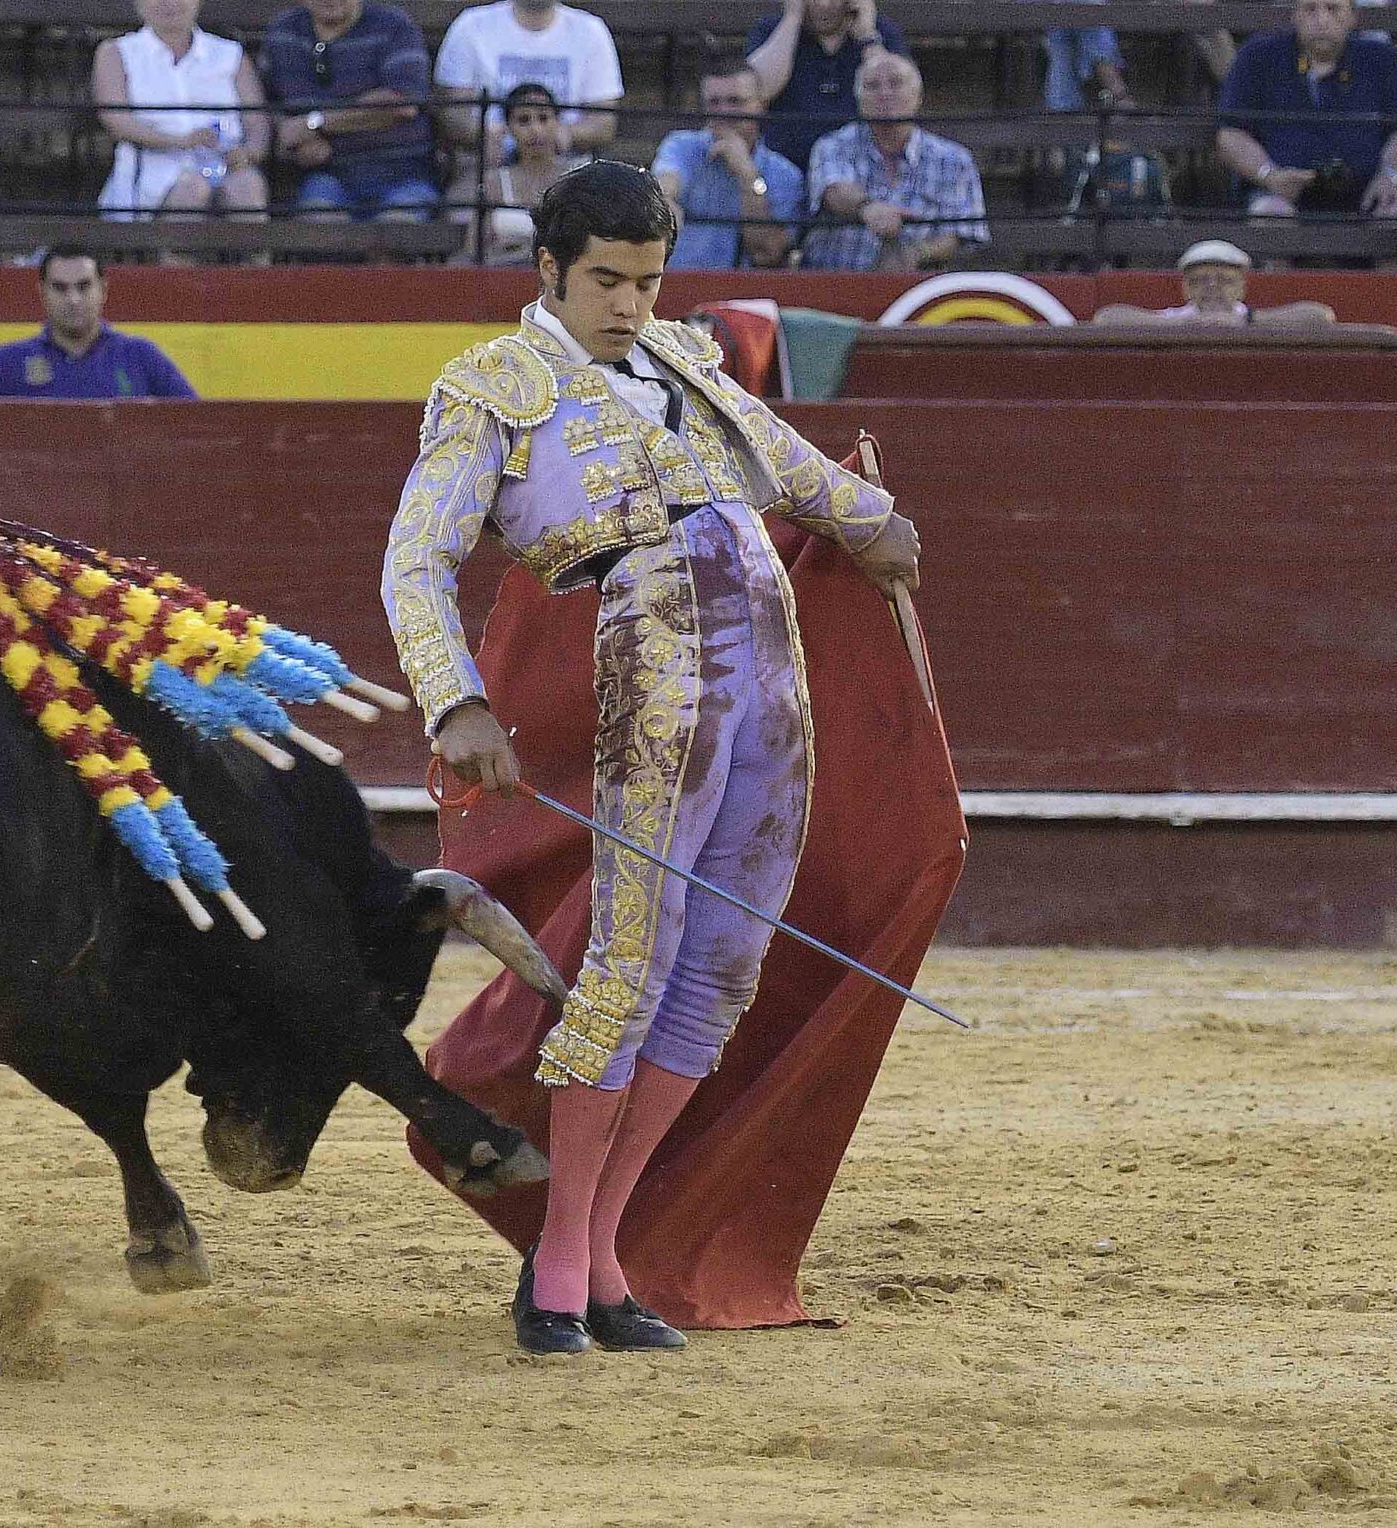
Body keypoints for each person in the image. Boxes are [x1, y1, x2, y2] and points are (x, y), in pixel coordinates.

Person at [382, 161, 917, 1355]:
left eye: (648, 279)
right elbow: (415, 561)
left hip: (767, 656)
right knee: (634, 954)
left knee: (720, 963)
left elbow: (779, 460)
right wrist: (452, 701)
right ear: (550, 271)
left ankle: (610, 1250)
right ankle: (559, 1267)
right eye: (607, 281)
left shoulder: (683, 358)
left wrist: (868, 521)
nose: (629, 303)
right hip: (653, 652)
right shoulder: (491, 387)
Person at [1216, 0, 1397, 221]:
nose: (1322, 20)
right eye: (1310, 9)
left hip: (1367, 190)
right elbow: (1231, 134)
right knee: (1271, 215)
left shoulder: (1381, 58)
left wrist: (1389, 178)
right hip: (1277, 190)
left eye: (1333, 9)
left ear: (1352, 16)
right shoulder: (1257, 56)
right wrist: (1270, 176)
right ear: (1294, 15)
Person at [801, 51, 985, 272]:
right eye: (873, 86)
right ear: (859, 99)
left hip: (918, 286)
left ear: (918, 96)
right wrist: (867, 209)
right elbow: (834, 192)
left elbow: (962, 233)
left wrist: (918, 253)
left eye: (896, 84)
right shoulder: (832, 145)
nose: (885, 93)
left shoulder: (954, 159)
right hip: (835, 282)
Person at [258, 0, 439, 222]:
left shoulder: (394, 26)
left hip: (403, 175)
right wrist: (294, 145)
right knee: (322, 229)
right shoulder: (284, 33)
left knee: (397, 231)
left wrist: (316, 123)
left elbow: (402, 104)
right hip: (324, 176)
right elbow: (267, 107)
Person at [0, 246, 196, 398]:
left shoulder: (141, 356)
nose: (73, 300)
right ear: (42, 293)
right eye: (60, 288)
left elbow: (199, 423)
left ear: (103, 290)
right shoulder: (9, 361)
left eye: (84, 287)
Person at [94, 0, 267, 223]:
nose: (169, 3)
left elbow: (257, 123)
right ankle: (172, 256)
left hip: (223, 164)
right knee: (193, 190)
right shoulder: (116, 52)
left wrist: (249, 152)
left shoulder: (229, 54)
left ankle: (255, 258)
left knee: (247, 187)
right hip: (151, 170)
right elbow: (115, 119)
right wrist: (180, 141)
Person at [652, 64, 802, 270]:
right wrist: (666, 201)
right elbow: (666, 182)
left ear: (760, 105)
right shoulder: (681, 145)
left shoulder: (784, 174)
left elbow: (767, 254)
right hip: (678, 283)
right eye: (714, 102)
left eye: (735, 102)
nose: (724, 112)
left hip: (746, 292)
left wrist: (748, 175)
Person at [432, 0, 623, 162]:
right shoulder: (470, 26)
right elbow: (451, 113)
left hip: (569, 175)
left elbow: (604, 123)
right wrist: (481, 136)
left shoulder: (591, 31)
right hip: (487, 173)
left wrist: (568, 135)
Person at [744, 0, 907, 177]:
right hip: (784, 169)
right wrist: (792, 19)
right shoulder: (770, 30)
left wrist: (868, 38)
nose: (823, 5)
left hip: (859, 172)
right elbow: (759, 91)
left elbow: (896, 100)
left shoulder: (881, 33)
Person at [1093, 239, 1339, 325]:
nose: (1212, 288)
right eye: (1200, 281)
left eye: (1223, 280)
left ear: (1241, 288)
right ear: (1185, 288)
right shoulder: (1176, 319)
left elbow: (1321, 316)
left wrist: (1247, 321)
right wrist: (1181, 325)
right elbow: (1107, 318)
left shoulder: (1251, 319)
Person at [469, 82, 585, 263]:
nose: (535, 130)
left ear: (557, 122)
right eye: (523, 120)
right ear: (508, 127)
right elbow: (474, 249)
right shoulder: (494, 181)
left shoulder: (577, 179)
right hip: (504, 276)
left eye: (543, 118)